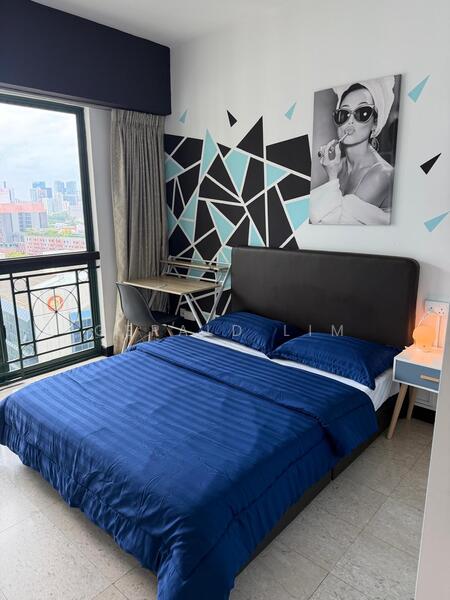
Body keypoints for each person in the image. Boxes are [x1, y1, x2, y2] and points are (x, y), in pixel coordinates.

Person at [310, 76, 395, 225]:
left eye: (362, 113)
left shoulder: (382, 175)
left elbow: (336, 225)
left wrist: (332, 177)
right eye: (344, 114)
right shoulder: (338, 165)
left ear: (375, 124)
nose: (350, 121)